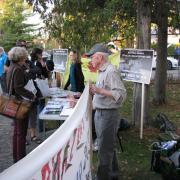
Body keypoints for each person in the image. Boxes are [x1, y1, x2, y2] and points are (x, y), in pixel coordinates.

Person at [89, 52, 126, 180]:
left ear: (100, 58)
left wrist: (99, 91)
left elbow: (120, 95)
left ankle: (102, 177)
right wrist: (94, 91)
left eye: (92, 57)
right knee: (108, 147)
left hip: (108, 115)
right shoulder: (102, 71)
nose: (91, 60)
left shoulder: (110, 71)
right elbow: (103, 91)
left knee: (104, 150)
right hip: (100, 114)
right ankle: (113, 175)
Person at [6, 47, 35, 163]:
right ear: (20, 57)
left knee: (17, 132)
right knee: (21, 133)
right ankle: (20, 159)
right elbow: (18, 88)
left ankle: (17, 158)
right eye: (24, 56)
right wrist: (31, 95)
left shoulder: (13, 67)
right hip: (20, 103)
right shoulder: (17, 69)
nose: (26, 58)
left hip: (15, 102)